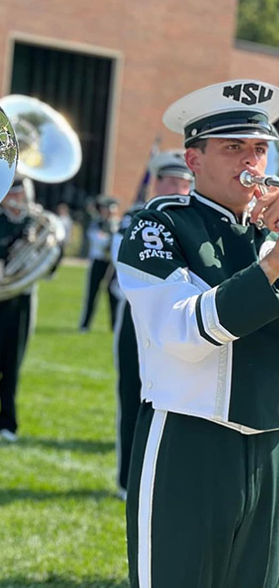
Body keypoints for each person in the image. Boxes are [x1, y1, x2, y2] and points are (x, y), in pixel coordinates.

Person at [119, 79, 279, 587]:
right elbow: (182, 330)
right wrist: (271, 268)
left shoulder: (269, 230)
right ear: (193, 161)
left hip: (272, 441)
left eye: (260, 148)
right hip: (189, 438)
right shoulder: (160, 226)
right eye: (233, 148)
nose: (251, 163)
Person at [109, 150, 192, 500]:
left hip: (182, 315)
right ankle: (128, 478)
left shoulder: (193, 220)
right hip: (137, 316)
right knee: (133, 395)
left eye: (185, 182)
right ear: (156, 183)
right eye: (172, 181)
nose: (179, 188)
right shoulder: (135, 218)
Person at [0, 178, 47, 443]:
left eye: (21, 191)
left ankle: (8, 421)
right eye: (13, 191)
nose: (18, 196)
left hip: (24, 297)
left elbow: (46, 264)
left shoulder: (34, 222)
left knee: (13, 363)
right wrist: (18, 238)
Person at [78, 195, 119, 332]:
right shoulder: (96, 223)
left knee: (113, 295)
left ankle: (114, 325)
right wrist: (110, 239)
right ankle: (85, 325)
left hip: (112, 263)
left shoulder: (117, 225)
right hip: (98, 261)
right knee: (92, 294)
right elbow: (97, 241)